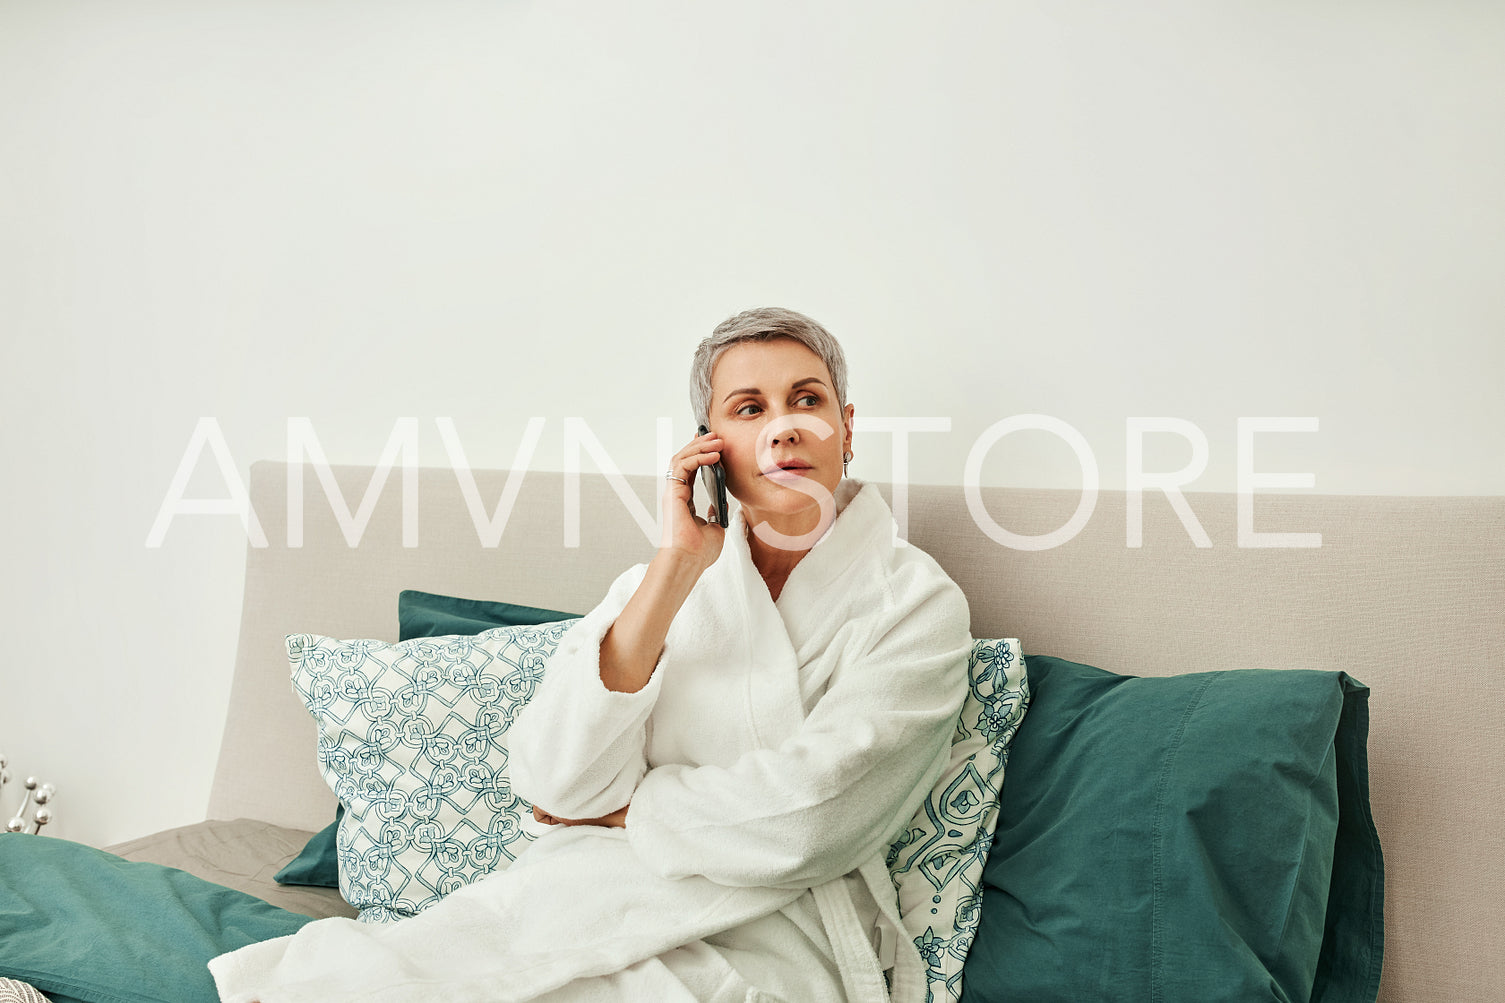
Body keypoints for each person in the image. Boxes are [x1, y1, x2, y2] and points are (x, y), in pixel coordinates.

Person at [210, 308, 973, 1003]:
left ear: (845, 425)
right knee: (368, 980)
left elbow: (814, 818)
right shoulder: (658, 587)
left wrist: (630, 808)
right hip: (594, 894)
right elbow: (558, 781)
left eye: (805, 401)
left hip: (780, 929)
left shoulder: (914, 602)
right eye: (748, 409)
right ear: (709, 447)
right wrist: (676, 567)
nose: (782, 428)